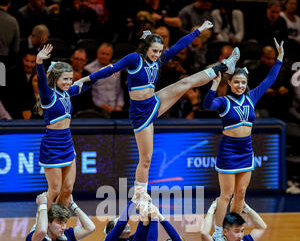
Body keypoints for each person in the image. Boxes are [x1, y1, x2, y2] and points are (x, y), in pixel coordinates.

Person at [78, 21, 240, 206]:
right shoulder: (134, 59)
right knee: (146, 158)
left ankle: (225, 66)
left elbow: (179, 46)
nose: (157, 55)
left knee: (184, 83)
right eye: (154, 51)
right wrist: (85, 79)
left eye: (160, 51)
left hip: (154, 102)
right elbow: (110, 70)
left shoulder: (159, 60)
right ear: (147, 47)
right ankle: (139, 196)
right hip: (141, 115)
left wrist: (199, 30)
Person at [202, 38, 283, 241]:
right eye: (236, 82)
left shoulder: (252, 97)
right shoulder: (223, 102)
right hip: (228, 151)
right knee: (226, 195)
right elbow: (207, 104)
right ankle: (219, 233)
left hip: (246, 151)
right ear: (229, 83)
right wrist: (213, 84)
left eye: (243, 83)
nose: (240, 86)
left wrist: (279, 59)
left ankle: (234, 231)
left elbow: (269, 80)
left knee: (241, 194)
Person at [35, 43, 107, 210]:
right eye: (64, 79)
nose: (68, 82)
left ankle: (59, 224)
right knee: (54, 189)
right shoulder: (48, 96)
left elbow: (90, 81)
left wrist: (110, 71)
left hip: (67, 143)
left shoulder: (67, 93)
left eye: (70, 79)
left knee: (67, 189)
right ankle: (40, 222)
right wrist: (39, 62)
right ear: (55, 79)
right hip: (52, 145)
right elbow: (40, 82)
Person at [84, 43, 125, 118]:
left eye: (107, 54)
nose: (104, 56)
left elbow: (119, 90)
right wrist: (103, 106)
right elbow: (90, 94)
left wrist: (119, 106)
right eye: (102, 53)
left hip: (115, 109)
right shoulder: (88, 69)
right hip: (97, 109)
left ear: (111, 56)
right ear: (97, 53)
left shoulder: (117, 70)